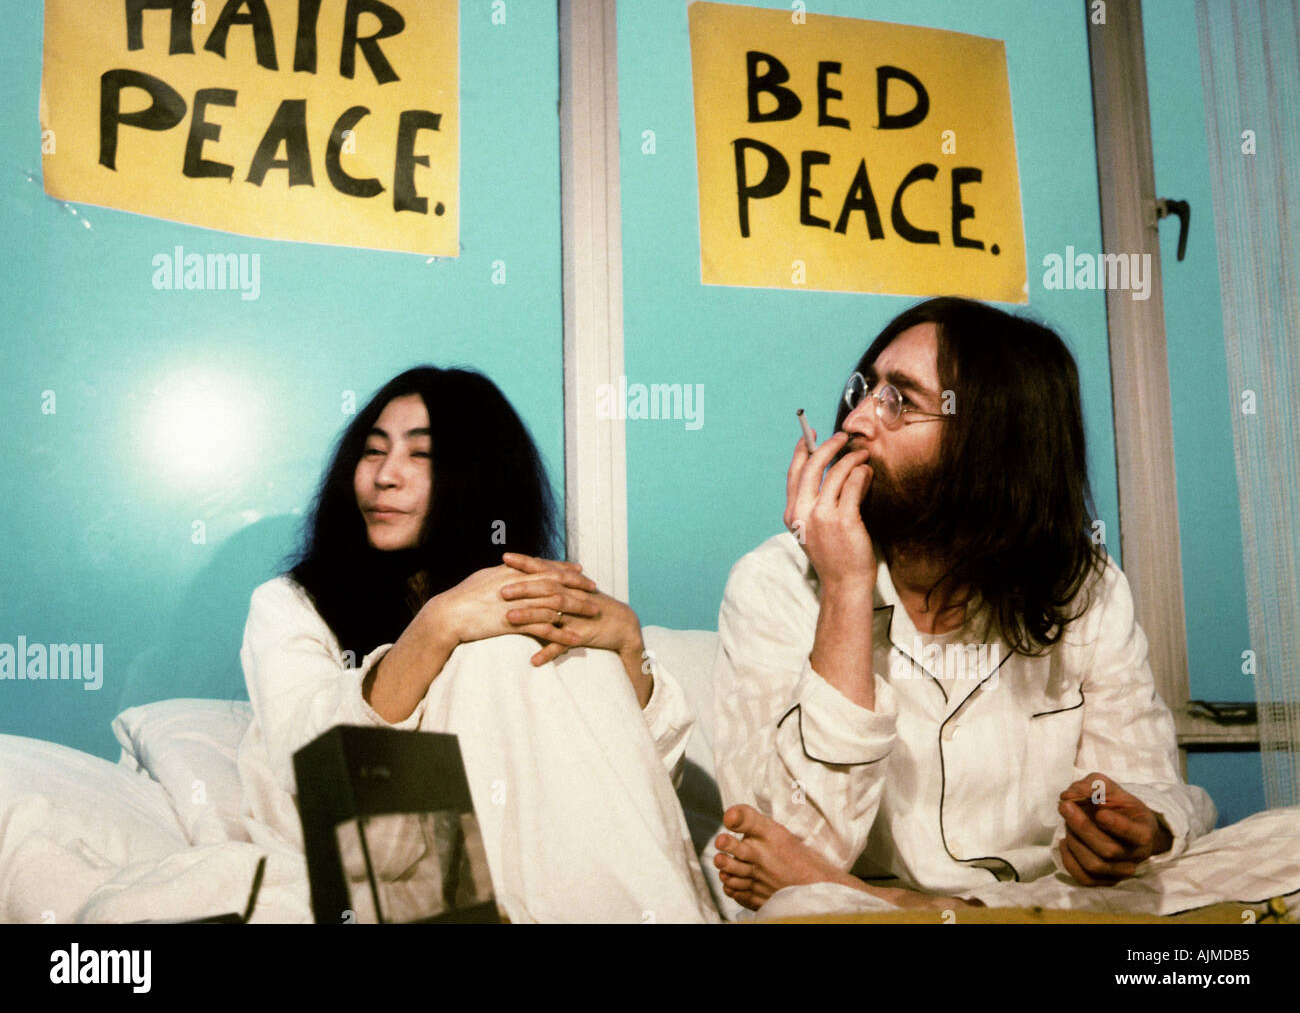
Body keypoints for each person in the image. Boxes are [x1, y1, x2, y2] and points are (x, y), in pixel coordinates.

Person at [711, 297, 1216, 915]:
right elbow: (786, 854)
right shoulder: (775, 582)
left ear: (992, 448)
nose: (858, 420)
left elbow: (1155, 790)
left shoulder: (1084, 588)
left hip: (1041, 904)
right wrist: (844, 590)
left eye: (900, 399)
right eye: (866, 387)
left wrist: (1141, 827)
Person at [235, 366, 716, 923]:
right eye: (373, 451)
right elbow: (311, 761)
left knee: (521, 644)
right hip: (394, 860)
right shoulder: (288, 602)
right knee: (498, 648)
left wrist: (629, 650)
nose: (384, 477)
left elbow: (635, 790)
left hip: (555, 866)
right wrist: (436, 628)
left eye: (422, 455)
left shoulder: (527, 596)